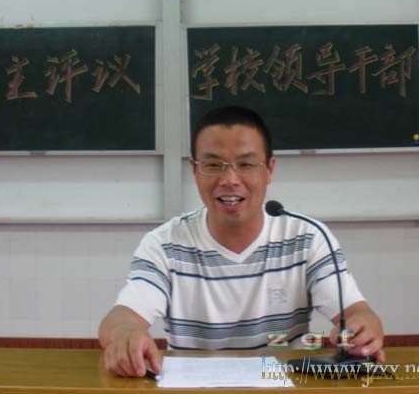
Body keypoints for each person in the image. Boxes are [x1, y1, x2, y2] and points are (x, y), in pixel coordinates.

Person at [99, 105, 384, 377]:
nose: (230, 179)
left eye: (246, 164)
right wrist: (125, 333)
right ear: (195, 171)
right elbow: (122, 317)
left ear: (269, 169)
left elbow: (357, 313)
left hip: (283, 384)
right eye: (213, 165)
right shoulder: (165, 244)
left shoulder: (307, 238)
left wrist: (362, 330)